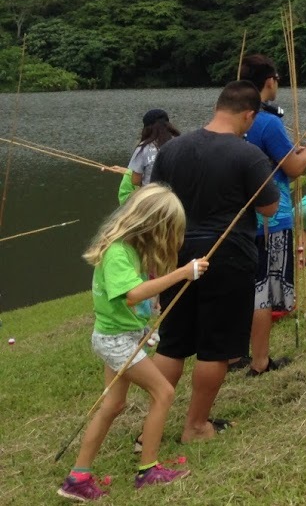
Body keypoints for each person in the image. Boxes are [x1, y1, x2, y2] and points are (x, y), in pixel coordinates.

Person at [58, 185, 204, 501]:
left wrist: (143, 326)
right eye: (168, 229)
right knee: (163, 392)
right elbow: (132, 294)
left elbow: (133, 302)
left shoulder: (129, 250)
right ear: (152, 224)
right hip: (115, 342)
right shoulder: (117, 252)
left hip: (122, 337)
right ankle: (148, 470)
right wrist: (183, 273)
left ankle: (77, 478)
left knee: (114, 404)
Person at [152, 81, 279, 444]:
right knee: (215, 347)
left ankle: (150, 430)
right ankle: (195, 426)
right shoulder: (248, 154)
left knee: (172, 342)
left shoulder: (172, 149)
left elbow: (155, 204)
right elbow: (269, 207)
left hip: (176, 255)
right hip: (227, 258)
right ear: (249, 115)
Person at [240, 54, 306, 375]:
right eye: (277, 79)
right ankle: (260, 361)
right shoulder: (268, 121)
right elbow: (293, 169)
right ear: (269, 81)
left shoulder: (235, 117)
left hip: (239, 219)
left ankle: (233, 355)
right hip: (271, 219)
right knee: (263, 292)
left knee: (243, 287)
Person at [117, 109, 180, 206]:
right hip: (175, 198)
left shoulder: (143, 148)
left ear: (147, 128)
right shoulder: (180, 144)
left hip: (151, 198)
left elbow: (135, 180)